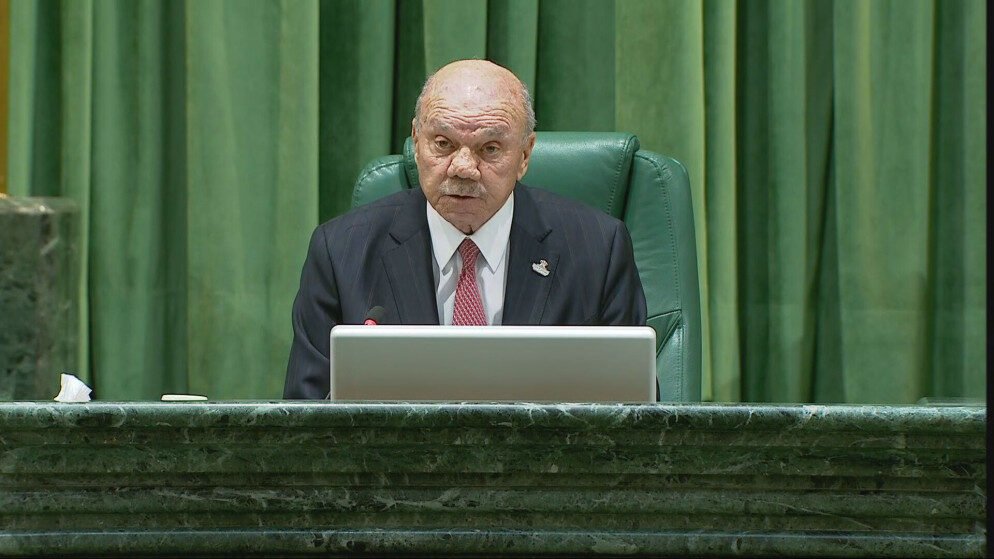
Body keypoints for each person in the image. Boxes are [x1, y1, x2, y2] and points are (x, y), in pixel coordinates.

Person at [284, 59, 646, 399]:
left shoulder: (598, 250)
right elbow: (302, 422)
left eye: (490, 148)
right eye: (443, 144)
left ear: (524, 155)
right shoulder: (340, 251)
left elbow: (637, 420)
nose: (463, 168)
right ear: (416, 141)